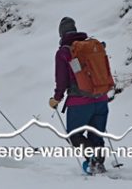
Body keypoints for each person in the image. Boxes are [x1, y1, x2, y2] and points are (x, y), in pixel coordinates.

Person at [49, 17, 111, 175]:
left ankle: (94, 161)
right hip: (101, 97)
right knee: (96, 134)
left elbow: (61, 80)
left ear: (61, 34)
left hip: (79, 102)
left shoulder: (64, 52)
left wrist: (56, 98)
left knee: (74, 135)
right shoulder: (91, 46)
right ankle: (98, 164)